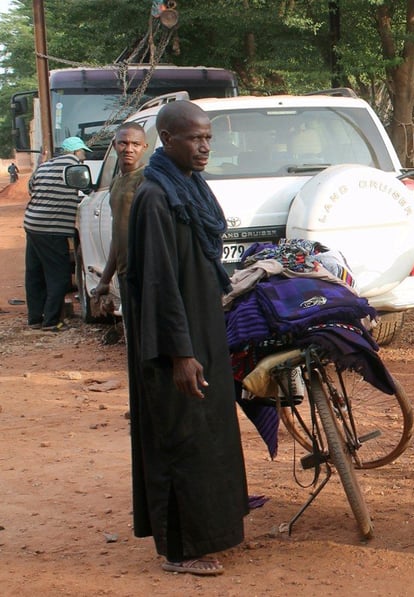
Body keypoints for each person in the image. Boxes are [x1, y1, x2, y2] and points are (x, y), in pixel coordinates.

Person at [123, 100, 248, 576]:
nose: (204, 148)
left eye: (209, 139)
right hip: (173, 340)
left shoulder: (189, 186)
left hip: (201, 327)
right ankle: (181, 547)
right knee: (180, 436)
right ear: (168, 139)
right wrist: (181, 354)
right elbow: (157, 283)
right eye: (194, 139)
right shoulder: (155, 196)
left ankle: (212, 527)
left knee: (207, 433)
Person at [23, 136, 92, 331]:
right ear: (76, 152)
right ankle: (51, 321)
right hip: (52, 229)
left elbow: (31, 188)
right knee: (59, 276)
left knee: (34, 274)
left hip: (32, 225)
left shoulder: (45, 166)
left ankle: (35, 318)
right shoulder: (75, 168)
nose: (84, 156)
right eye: (82, 152)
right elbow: (87, 190)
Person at [90, 122, 149, 309]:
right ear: (115, 145)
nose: (129, 149)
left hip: (145, 272)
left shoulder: (146, 179)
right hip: (125, 272)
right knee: (132, 333)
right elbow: (118, 235)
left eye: (135, 144)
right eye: (123, 143)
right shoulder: (116, 182)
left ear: (144, 147)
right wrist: (105, 280)